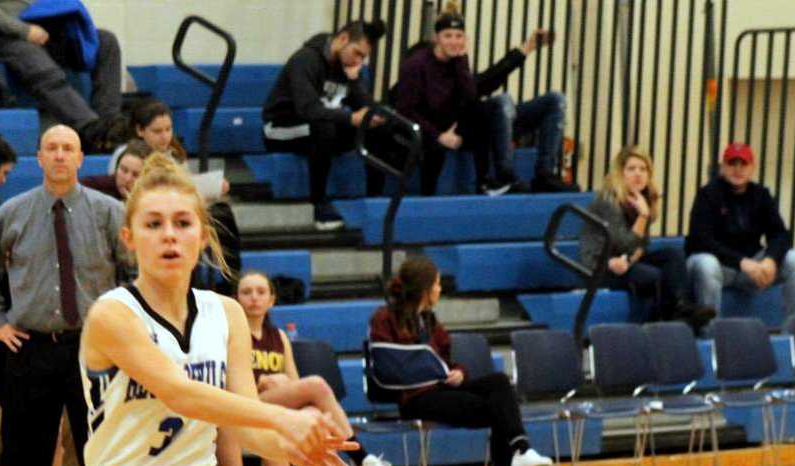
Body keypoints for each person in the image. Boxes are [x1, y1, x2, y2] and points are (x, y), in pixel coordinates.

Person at [44, 151, 353, 466]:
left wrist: (295, 447)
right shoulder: (112, 314)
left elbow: (241, 424)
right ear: (129, 238)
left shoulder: (225, 313)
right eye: (154, 224)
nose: (169, 235)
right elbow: (180, 394)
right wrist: (285, 419)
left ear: (202, 236)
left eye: (183, 223)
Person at [0, 124, 127, 466]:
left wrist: (123, 328)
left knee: (102, 447)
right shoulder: (13, 213)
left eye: (67, 148)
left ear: (80, 158)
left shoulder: (109, 212)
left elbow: (132, 273)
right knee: (22, 453)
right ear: (39, 158)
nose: (59, 155)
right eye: (51, 148)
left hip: (94, 347)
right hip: (32, 346)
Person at [218, 270, 407, 466]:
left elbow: (295, 382)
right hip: (248, 404)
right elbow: (228, 382)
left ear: (272, 299)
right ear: (236, 299)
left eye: (261, 292)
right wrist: (261, 383)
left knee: (316, 414)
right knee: (316, 385)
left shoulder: (279, 337)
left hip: (277, 406)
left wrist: (283, 382)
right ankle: (363, 462)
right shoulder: (231, 334)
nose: (254, 298)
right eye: (246, 292)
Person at [369, 256, 551, 466]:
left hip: (441, 390)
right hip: (415, 399)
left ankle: (522, 449)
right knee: (499, 411)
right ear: (425, 289)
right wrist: (429, 369)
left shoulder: (430, 320)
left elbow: (445, 362)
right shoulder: (385, 318)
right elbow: (389, 365)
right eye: (437, 284)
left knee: (499, 382)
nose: (440, 289)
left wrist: (459, 373)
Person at [394, 1, 575, 195]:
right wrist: (438, 135)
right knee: (503, 101)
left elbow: (475, 94)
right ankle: (504, 176)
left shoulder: (459, 62)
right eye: (448, 36)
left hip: (475, 126)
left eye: (459, 36)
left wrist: (527, 47)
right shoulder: (417, 63)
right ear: (436, 38)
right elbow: (405, 109)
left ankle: (545, 175)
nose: (454, 41)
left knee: (556, 100)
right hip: (440, 132)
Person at [263, 19, 387, 230]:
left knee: (375, 131)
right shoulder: (305, 59)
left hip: (318, 129)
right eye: (357, 53)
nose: (359, 61)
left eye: (363, 57)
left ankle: (375, 205)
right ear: (343, 39)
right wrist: (350, 118)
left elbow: (364, 106)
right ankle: (318, 204)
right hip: (281, 128)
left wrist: (355, 82)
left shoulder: (346, 68)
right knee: (324, 126)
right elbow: (308, 109)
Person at [580, 147, 714, 328]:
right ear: (620, 174)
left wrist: (629, 260)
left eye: (643, 169)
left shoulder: (641, 199)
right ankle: (650, 327)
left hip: (624, 261)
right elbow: (625, 244)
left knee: (673, 255)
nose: (638, 174)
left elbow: (640, 246)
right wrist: (643, 216)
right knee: (650, 275)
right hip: (601, 264)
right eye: (631, 169)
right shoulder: (608, 202)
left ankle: (681, 307)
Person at [118, 99, 242, 289]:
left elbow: (184, 185)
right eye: (157, 131)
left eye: (168, 129)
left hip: (176, 204)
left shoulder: (174, 154)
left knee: (221, 211)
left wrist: (212, 186)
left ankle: (231, 280)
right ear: (140, 130)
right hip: (145, 207)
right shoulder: (129, 155)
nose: (164, 136)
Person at [0, 0, 124, 150]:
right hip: (9, 35)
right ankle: (90, 127)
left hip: (51, 26)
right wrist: (24, 30)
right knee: (38, 64)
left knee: (106, 41)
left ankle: (109, 126)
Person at [686, 142, 795, 321]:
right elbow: (700, 240)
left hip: (753, 266)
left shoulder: (761, 194)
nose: (738, 169)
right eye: (732, 163)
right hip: (720, 265)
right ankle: (709, 333)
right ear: (723, 167)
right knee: (706, 264)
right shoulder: (708, 194)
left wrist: (770, 260)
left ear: (753, 167)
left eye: (743, 164)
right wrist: (741, 262)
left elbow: (780, 234)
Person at [81, 138, 149, 202]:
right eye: (124, 170)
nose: (127, 179)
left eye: (136, 175)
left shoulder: (151, 197)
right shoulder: (93, 187)